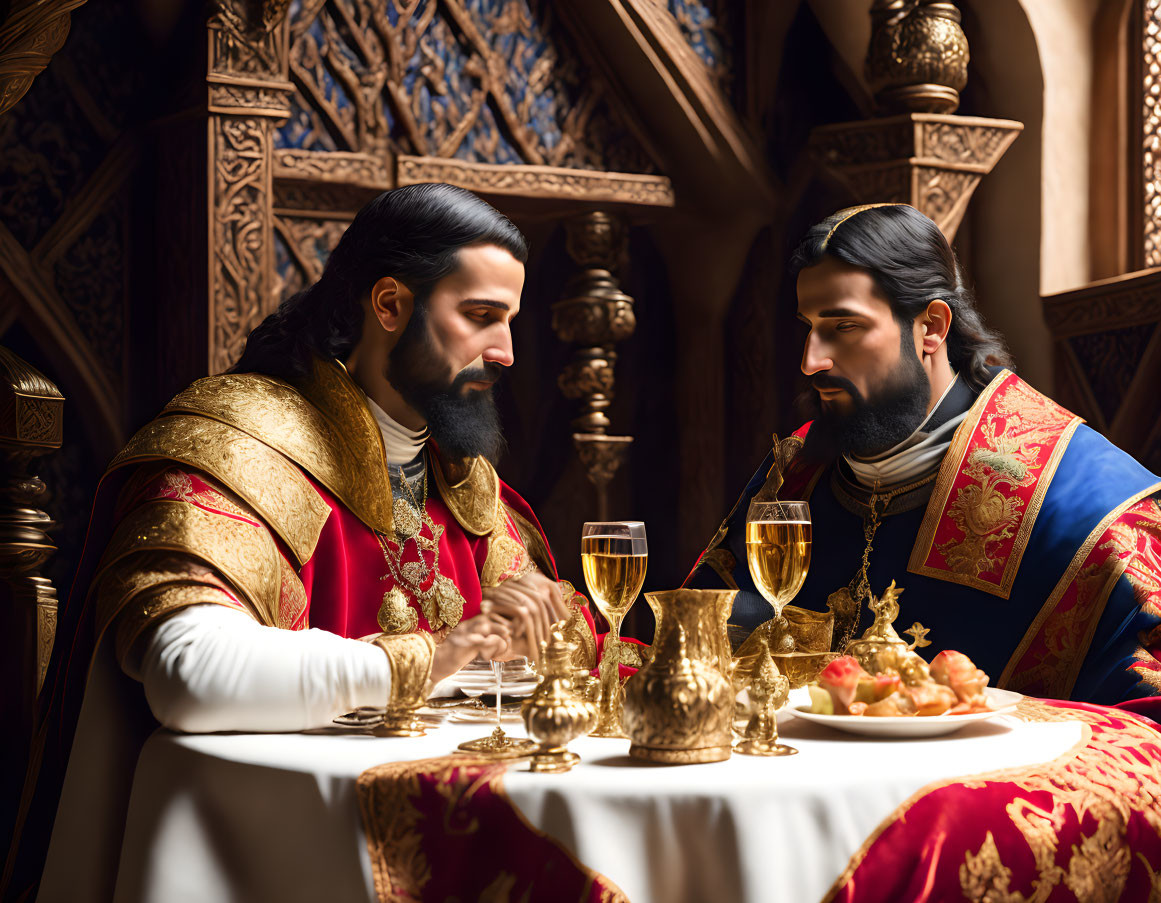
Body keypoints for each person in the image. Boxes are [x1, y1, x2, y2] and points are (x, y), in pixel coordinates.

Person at [5, 183, 612, 901]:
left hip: (450, 840)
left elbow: (562, 652)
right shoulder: (239, 444)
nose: (506, 352)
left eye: (507, 321)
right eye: (480, 317)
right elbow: (184, 671)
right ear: (388, 305)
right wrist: (435, 657)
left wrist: (552, 627)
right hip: (284, 852)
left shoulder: (462, 480)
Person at [686, 203, 1161, 710]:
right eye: (809, 326)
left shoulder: (1096, 513)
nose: (811, 361)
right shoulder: (797, 472)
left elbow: (1143, 733)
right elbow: (688, 650)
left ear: (931, 326)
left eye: (843, 326)